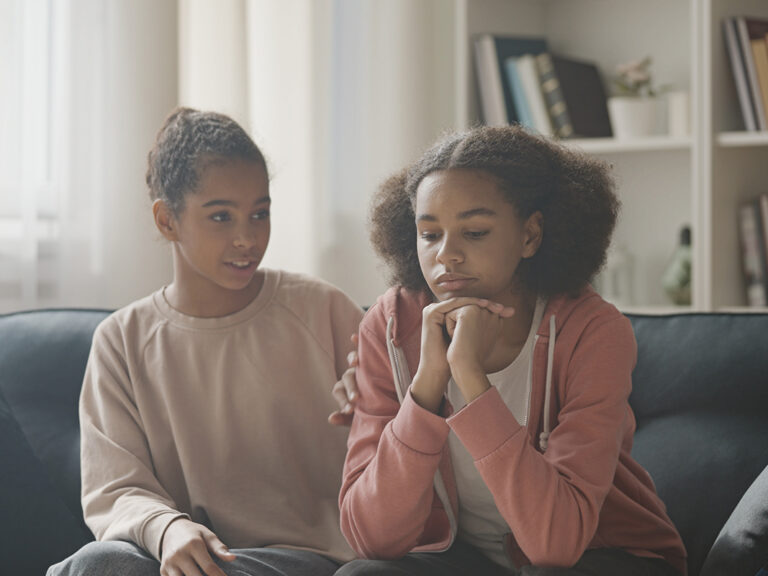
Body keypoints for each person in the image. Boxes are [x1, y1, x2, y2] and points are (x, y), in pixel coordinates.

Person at [335, 125, 687, 576]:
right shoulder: (389, 325)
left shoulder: (593, 331)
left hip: (601, 556)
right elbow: (372, 538)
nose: (447, 255)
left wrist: (471, 378)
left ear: (530, 235)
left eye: (475, 232)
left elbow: (555, 544)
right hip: (466, 558)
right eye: (429, 234)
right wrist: (426, 386)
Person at [47, 108, 363, 576]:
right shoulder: (122, 342)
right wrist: (167, 528)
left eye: (260, 213)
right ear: (166, 220)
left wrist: (380, 404)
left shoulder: (322, 309)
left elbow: (408, 434)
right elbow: (114, 488)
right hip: (196, 557)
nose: (247, 238)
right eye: (221, 217)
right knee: (98, 564)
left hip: (315, 560)